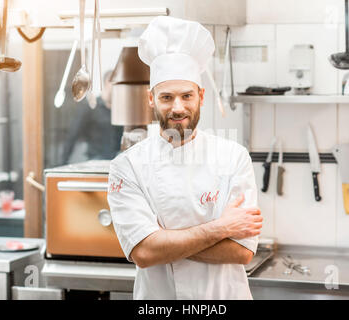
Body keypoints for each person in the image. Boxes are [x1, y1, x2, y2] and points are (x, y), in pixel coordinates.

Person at [107, 16, 263, 300]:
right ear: (151, 99)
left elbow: (242, 251)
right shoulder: (127, 167)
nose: (177, 107)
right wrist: (221, 228)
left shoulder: (234, 157)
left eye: (186, 96)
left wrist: (164, 240)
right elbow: (143, 253)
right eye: (166, 97)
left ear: (201, 96)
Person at [61, 71, 124, 164]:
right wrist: (63, 162)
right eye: (116, 84)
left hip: (116, 161)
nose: (119, 88)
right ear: (107, 83)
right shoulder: (91, 107)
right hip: (95, 161)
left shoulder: (120, 109)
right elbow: (73, 134)